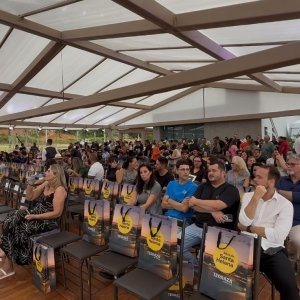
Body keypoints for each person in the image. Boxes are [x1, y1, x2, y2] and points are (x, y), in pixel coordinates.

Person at [238, 165, 299, 300]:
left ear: (271, 181)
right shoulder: (248, 196)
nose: (254, 180)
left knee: (290, 287)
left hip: (271, 250)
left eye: (259, 177)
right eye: (255, 176)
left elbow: (279, 235)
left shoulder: (285, 204)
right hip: (244, 245)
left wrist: (249, 228)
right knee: (227, 276)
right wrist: (255, 198)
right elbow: (243, 220)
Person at [0, 164, 67, 279]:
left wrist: (35, 216)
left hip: (47, 221)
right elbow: (30, 197)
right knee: (10, 218)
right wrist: (30, 184)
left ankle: (7, 256)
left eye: (49, 170)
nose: (46, 172)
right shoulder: (46, 183)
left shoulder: (60, 189)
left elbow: (57, 213)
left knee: (20, 228)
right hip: (35, 214)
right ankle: (5, 252)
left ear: (56, 175)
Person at [183, 161, 240, 265]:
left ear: (224, 173)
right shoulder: (203, 186)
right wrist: (212, 211)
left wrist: (197, 201)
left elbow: (218, 205)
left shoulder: (231, 190)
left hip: (218, 231)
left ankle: (200, 272)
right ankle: (195, 267)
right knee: (175, 245)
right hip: (197, 226)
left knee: (204, 257)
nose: (210, 173)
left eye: (214, 170)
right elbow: (192, 206)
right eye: (209, 170)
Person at [277, 153, 300, 258]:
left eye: (292, 164)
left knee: (298, 240)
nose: (289, 166)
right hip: (278, 220)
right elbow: (274, 197)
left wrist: (277, 191)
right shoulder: (282, 180)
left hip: (297, 222)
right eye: (287, 163)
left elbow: (296, 197)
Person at [161, 159, 198, 223]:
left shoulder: (193, 186)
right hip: (166, 217)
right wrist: (179, 204)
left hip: (181, 221)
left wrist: (169, 200)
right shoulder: (171, 183)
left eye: (187, 169)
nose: (186, 172)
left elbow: (184, 209)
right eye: (182, 169)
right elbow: (163, 205)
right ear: (177, 171)